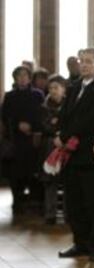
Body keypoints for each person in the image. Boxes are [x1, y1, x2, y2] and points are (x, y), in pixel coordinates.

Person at [57, 46, 94, 261]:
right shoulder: (74, 86)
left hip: (89, 152)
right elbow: (64, 114)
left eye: (89, 61)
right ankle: (80, 242)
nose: (84, 64)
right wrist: (60, 133)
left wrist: (66, 134)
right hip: (70, 154)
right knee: (74, 202)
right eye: (82, 61)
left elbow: (91, 118)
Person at [1, 66, 44, 214]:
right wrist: (18, 125)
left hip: (33, 138)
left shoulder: (37, 94)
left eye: (25, 75)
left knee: (33, 171)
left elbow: (42, 114)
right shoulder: (10, 96)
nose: (22, 78)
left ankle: (34, 201)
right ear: (15, 78)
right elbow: (5, 116)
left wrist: (31, 126)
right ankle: (18, 201)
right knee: (16, 172)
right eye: (19, 75)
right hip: (16, 138)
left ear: (29, 77)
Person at [40, 74, 66, 224]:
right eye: (50, 88)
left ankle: (69, 215)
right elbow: (44, 126)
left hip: (66, 145)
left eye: (56, 87)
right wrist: (55, 127)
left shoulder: (70, 104)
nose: (53, 91)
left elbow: (67, 123)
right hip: (49, 146)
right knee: (50, 181)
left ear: (63, 89)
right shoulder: (44, 107)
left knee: (67, 181)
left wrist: (57, 124)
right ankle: (50, 214)